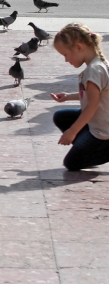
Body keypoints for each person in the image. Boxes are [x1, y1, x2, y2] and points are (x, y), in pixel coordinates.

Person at [50, 23, 109, 172]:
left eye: (65, 55)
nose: (66, 60)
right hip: (97, 121)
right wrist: (68, 97)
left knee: (72, 163)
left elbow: (93, 105)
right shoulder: (97, 64)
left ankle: (100, 150)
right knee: (61, 117)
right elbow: (94, 95)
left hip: (103, 131)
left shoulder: (94, 70)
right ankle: (89, 151)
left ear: (78, 47)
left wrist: (72, 131)